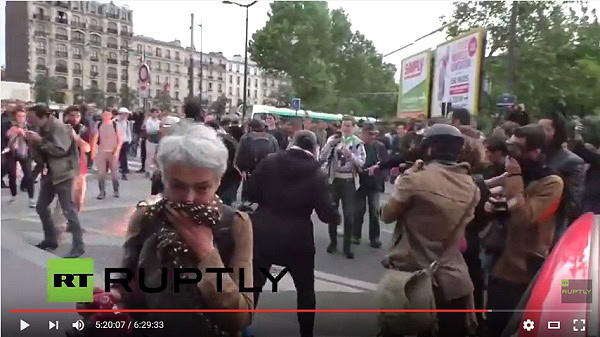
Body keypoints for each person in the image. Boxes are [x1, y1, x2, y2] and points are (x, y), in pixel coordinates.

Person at [109, 123, 254, 336]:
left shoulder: (234, 224)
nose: (189, 198)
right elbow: (129, 283)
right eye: (178, 186)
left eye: (202, 187)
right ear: (164, 179)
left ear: (218, 182)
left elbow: (241, 316)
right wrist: (115, 297)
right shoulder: (147, 217)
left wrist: (206, 253)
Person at [380, 124, 480, 336]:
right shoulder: (471, 186)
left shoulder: (414, 179)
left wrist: (402, 182)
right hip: (455, 280)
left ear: (430, 149)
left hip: (413, 280)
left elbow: (387, 215)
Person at [243, 130, 340, 337]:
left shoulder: (269, 161)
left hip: (264, 231)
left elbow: (250, 192)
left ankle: (243, 327)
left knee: (253, 285)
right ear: (314, 148)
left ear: (291, 143)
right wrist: (336, 217)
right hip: (298, 237)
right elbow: (325, 213)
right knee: (305, 289)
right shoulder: (316, 173)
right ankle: (306, 332)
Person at [486, 124, 564, 337]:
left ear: (536, 151)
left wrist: (512, 177)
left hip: (523, 269)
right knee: (491, 324)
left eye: (519, 149)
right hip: (499, 260)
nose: (513, 155)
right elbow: (489, 192)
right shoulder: (515, 175)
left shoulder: (551, 182)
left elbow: (523, 217)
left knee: (515, 327)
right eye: (511, 147)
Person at [25, 104, 85, 258]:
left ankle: (78, 246)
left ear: (43, 116)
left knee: (68, 210)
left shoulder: (58, 127)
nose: (29, 121)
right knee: (41, 206)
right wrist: (32, 143)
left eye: (31, 118)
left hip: (64, 173)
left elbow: (60, 150)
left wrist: (39, 141)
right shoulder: (41, 128)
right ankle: (50, 240)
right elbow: (41, 156)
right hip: (51, 172)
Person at [320, 116, 366, 259]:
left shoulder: (358, 143)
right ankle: (333, 242)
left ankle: (347, 246)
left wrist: (350, 155)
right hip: (334, 180)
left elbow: (362, 163)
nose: (346, 128)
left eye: (349, 126)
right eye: (344, 125)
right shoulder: (333, 140)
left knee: (349, 215)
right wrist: (330, 145)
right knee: (332, 213)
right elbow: (321, 157)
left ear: (353, 127)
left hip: (349, 182)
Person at [538, 111, 584, 242]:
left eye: (545, 129)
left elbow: (574, 204)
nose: (540, 133)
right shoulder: (534, 155)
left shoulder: (572, 161)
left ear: (557, 133)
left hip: (552, 229)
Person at [52, 105, 92, 233]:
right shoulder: (59, 129)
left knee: (78, 198)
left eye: (78, 116)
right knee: (64, 198)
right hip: (65, 168)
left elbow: (87, 148)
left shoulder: (84, 130)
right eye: (72, 115)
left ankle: (72, 223)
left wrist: (76, 137)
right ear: (66, 116)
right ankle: (57, 226)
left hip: (81, 167)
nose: (75, 118)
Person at [353, 123, 388, 248]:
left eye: (375, 134)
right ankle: (355, 235)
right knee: (358, 210)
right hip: (360, 182)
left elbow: (386, 164)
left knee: (374, 212)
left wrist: (381, 173)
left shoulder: (380, 147)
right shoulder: (357, 145)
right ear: (363, 134)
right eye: (370, 134)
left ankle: (375, 238)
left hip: (374, 183)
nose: (373, 136)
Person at [4, 105, 36, 207]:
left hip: (25, 152)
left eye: (23, 116)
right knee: (12, 175)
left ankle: (31, 198)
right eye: (19, 116)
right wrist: (12, 132)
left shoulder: (29, 126)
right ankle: (13, 194)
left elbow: (34, 139)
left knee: (29, 175)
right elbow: (4, 136)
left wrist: (25, 135)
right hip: (11, 152)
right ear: (14, 116)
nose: (21, 118)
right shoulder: (8, 124)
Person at [91, 108, 123, 199]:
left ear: (111, 115)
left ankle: (116, 190)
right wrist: (93, 152)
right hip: (102, 152)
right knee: (101, 173)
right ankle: (102, 192)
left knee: (114, 173)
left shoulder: (115, 125)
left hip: (113, 153)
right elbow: (95, 139)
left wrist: (117, 151)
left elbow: (120, 139)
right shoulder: (99, 125)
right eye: (104, 114)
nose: (106, 116)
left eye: (108, 114)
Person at [142, 108, 161, 178]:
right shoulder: (148, 121)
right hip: (150, 139)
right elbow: (149, 130)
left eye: (156, 113)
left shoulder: (158, 121)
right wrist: (157, 130)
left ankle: (154, 171)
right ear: (151, 113)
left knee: (155, 157)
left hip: (157, 140)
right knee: (149, 155)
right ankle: (147, 170)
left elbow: (160, 129)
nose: (155, 114)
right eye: (154, 113)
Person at [116, 107, 133, 181]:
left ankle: (124, 172)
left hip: (124, 141)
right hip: (116, 141)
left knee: (123, 157)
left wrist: (129, 140)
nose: (125, 116)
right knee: (116, 157)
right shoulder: (115, 122)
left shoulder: (126, 122)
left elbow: (128, 132)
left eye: (126, 114)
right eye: (123, 114)